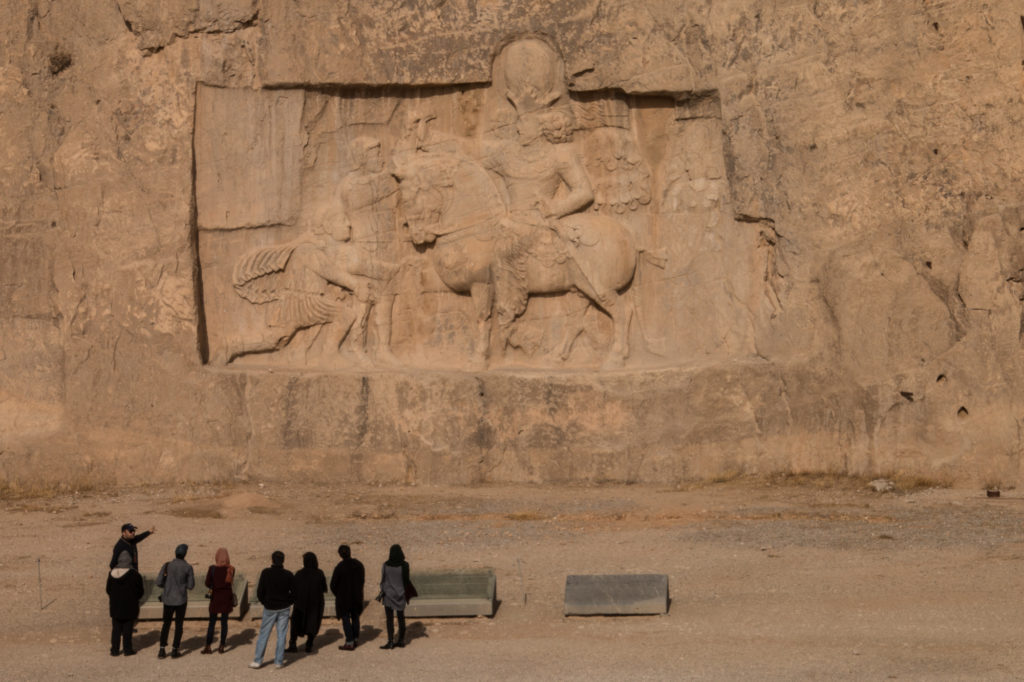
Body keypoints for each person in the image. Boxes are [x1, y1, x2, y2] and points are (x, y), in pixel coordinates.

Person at [250, 550, 293, 669]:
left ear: (272, 560)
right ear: (283, 560)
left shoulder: (266, 573)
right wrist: (288, 601)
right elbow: (295, 592)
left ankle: (258, 660)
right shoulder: (288, 574)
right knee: (282, 635)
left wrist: (265, 602)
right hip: (284, 607)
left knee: (264, 634)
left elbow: (260, 591)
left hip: (270, 607)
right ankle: (279, 661)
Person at [156, 543, 195, 659]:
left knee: (166, 624)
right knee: (179, 625)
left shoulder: (167, 565)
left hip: (168, 600)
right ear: (185, 554)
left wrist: (167, 585)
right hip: (181, 600)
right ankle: (175, 649)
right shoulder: (188, 567)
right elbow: (191, 585)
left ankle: (162, 649)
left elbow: (158, 582)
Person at [287, 552, 327, 653]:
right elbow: (324, 588)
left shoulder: (299, 574)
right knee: (312, 623)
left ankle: (293, 644)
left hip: (300, 603)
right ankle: (309, 645)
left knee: (296, 623)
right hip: (315, 604)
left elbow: (293, 589)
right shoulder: (319, 573)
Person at [106, 550, 144, 656]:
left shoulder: (111, 574)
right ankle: (127, 650)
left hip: (115, 606)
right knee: (128, 629)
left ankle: (114, 650)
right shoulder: (134, 575)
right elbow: (140, 591)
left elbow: (108, 590)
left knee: (116, 629)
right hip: (130, 606)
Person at [379, 544, 415, 649]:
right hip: (400, 595)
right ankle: (401, 640)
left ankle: (390, 641)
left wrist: (383, 590)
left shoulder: (385, 565)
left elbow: (383, 580)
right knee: (401, 618)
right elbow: (406, 580)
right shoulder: (405, 565)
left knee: (389, 619)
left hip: (388, 595)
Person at [330, 544, 365, 650]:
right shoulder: (359, 564)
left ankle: (349, 642)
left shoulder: (339, 567)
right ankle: (355, 639)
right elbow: (362, 580)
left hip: (344, 598)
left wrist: (339, 594)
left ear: (340, 554)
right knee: (355, 617)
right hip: (356, 596)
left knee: (345, 619)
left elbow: (333, 585)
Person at [202, 547, 235, 654]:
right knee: (224, 623)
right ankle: (222, 646)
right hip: (226, 598)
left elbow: (207, 583)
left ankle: (208, 646)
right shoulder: (231, 569)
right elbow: (230, 582)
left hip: (215, 598)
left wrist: (214, 584)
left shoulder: (212, 569)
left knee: (212, 623)